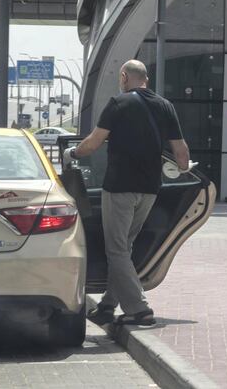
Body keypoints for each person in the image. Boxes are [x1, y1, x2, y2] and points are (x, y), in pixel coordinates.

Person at [64, 60, 190, 326]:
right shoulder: (165, 106)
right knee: (124, 248)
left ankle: (139, 309)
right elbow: (181, 151)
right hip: (150, 189)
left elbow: (93, 143)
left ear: (124, 77)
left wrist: (72, 153)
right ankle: (108, 305)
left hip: (120, 187)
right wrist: (183, 169)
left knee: (117, 249)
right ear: (146, 78)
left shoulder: (118, 104)